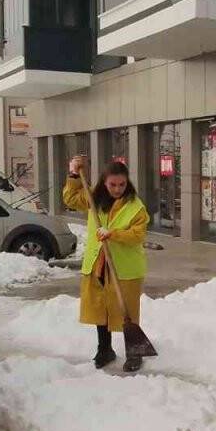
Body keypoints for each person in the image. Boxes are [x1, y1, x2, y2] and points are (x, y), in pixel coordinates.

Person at [63, 159, 150, 372]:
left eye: (122, 185)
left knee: (127, 311)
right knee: (100, 308)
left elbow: (138, 235)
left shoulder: (135, 206)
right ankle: (105, 349)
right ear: (104, 182)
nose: (118, 189)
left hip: (125, 267)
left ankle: (135, 353)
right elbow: (71, 199)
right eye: (113, 185)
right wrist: (73, 175)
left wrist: (114, 234)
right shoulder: (94, 198)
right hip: (98, 263)